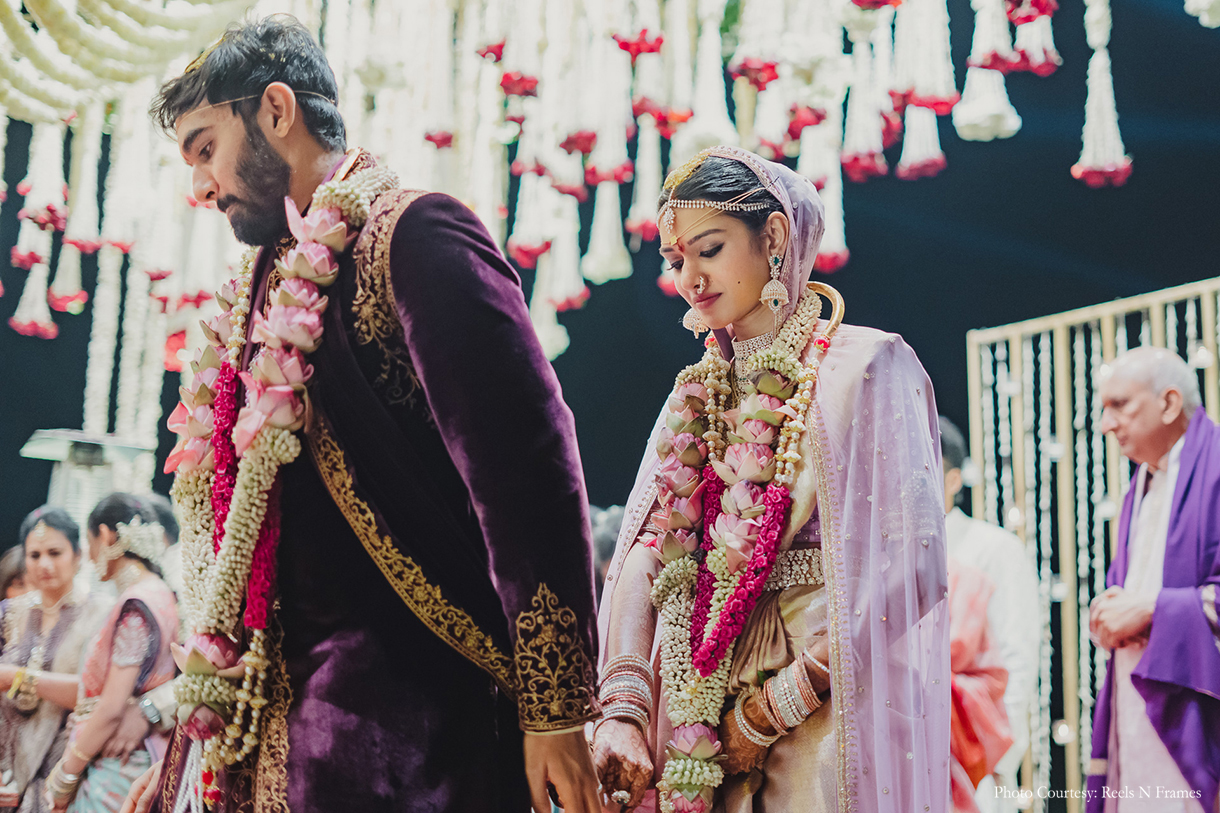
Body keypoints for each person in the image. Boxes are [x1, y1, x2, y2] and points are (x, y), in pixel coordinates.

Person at [127, 16, 601, 813]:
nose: (200, 188)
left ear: (276, 110)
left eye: (206, 147)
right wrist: (186, 745)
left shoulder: (416, 235)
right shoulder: (259, 287)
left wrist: (555, 709)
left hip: (416, 732)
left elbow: (528, 466)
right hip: (271, 735)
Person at [593, 146, 950, 813]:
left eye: (710, 248)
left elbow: (916, 565)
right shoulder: (692, 393)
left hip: (832, 702)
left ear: (775, 237)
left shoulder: (868, 366)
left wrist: (773, 706)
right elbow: (646, 550)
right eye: (676, 262)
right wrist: (624, 705)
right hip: (700, 707)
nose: (691, 278)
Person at [1087, 347, 1220, 813]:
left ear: (1167, 403)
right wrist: (1110, 611)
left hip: (1197, 721)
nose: (1105, 424)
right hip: (1135, 708)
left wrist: (1149, 610)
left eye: (1119, 405)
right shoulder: (1139, 485)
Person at [39, 495, 177, 813]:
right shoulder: (160, 592)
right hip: (134, 753)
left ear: (105, 536)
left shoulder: (136, 604)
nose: (89, 555)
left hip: (116, 764)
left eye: (89, 542)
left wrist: (64, 776)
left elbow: (111, 708)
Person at [0, 508, 141, 813]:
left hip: (65, 772)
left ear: (78, 555)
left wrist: (16, 676)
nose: (44, 564)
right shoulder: (9, 613)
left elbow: (99, 695)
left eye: (55, 552)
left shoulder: (104, 615)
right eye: (34, 555)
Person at [940, 417, 1039, 812]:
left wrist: (995, 757)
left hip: (976, 753)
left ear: (953, 480)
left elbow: (1017, 658)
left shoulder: (993, 548)